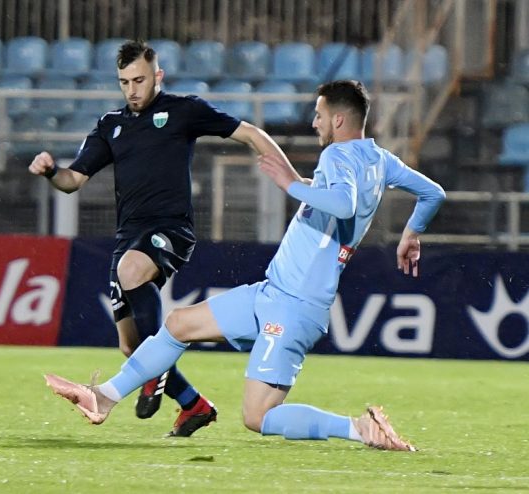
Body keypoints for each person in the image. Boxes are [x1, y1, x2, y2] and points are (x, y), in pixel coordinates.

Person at [44, 80, 446, 450]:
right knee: (179, 324)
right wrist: (411, 232)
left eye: (319, 115)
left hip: (294, 305)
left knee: (258, 417)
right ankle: (103, 398)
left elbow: (344, 204)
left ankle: (359, 428)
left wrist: (290, 184)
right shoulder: (380, 160)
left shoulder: (337, 155)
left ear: (338, 120)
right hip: (274, 293)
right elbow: (433, 193)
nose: (314, 122)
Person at [29, 40, 294, 437]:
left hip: (171, 230)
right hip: (128, 237)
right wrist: (51, 171)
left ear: (158, 76)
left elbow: (250, 133)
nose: (132, 90)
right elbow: (73, 181)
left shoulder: (184, 110)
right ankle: (194, 405)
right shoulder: (110, 126)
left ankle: (155, 377)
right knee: (130, 346)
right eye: (124, 82)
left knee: (131, 269)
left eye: (139, 80)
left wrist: (292, 179)